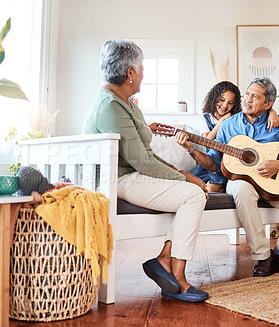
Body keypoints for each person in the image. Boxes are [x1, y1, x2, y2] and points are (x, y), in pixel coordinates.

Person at [82, 39, 209, 302]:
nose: (143, 73)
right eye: (141, 68)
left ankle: (165, 260)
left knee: (193, 191)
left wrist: (180, 173)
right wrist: (186, 176)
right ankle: (178, 274)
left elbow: (146, 155)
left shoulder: (126, 102)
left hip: (130, 175)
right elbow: (140, 161)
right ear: (130, 72)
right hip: (118, 179)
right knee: (194, 194)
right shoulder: (110, 106)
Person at [175, 77, 279, 277]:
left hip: (274, 186)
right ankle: (262, 256)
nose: (248, 99)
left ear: (268, 104)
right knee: (242, 189)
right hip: (242, 183)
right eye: (247, 94)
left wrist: (278, 165)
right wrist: (191, 149)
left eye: (255, 96)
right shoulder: (228, 126)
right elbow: (214, 164)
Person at [191, 81, 279, 193]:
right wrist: (221, 122)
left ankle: (221, 187)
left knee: (209, 190)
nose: (224, 106)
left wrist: (272, 111)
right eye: (222, 100)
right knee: (190, 186)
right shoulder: (206, 118)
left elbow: (258, 109)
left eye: (230, 103)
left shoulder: (236, 119)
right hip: (210, 162)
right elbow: (206, 141)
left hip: (229, 164)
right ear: (214, 98)